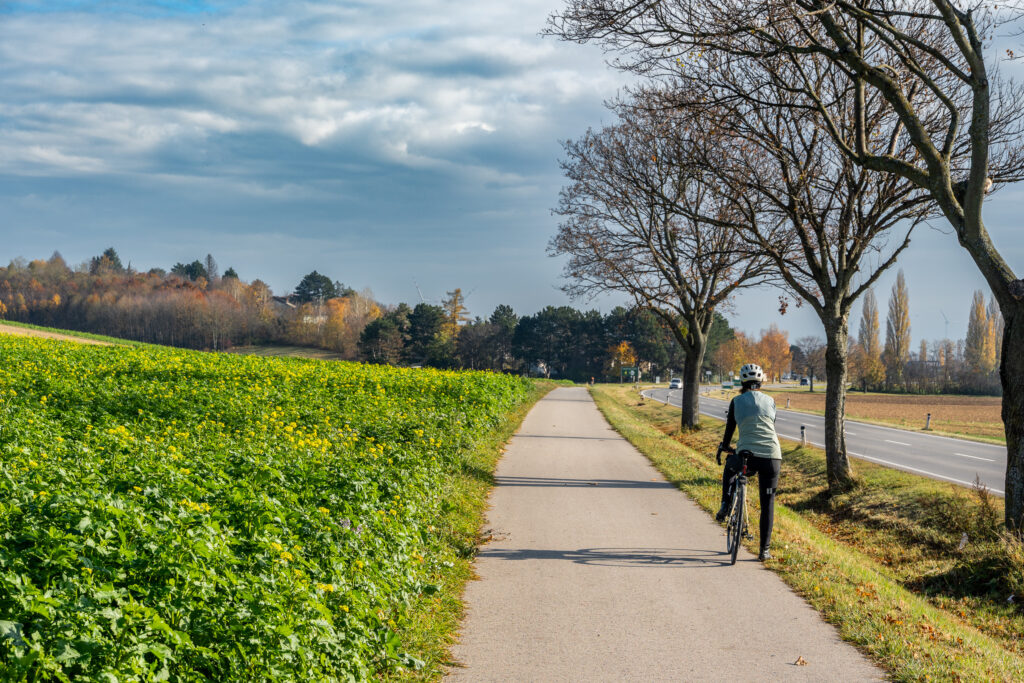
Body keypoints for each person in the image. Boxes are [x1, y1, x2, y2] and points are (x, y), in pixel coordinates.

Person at [715, 363, 782, 561]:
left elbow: (729, 431)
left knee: (730, 466)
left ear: (742, 382)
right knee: (767, 503)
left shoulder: (736, 401)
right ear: (761, 382)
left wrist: (725, 446)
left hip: (746, 455)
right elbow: (770, 426)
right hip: (772, 456)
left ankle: (726, 504)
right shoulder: (770, 401)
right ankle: (765, 551)